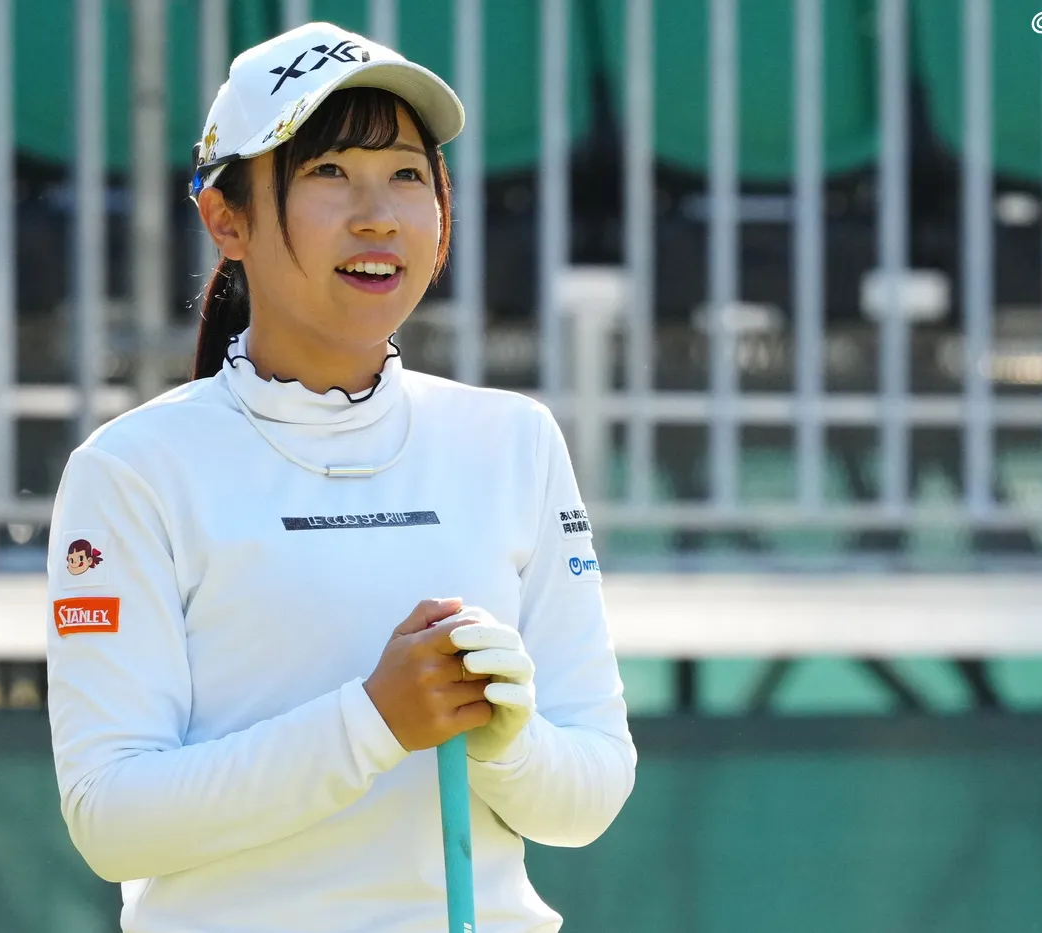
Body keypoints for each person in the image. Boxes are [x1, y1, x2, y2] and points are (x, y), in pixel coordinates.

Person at [44, 21, 635, 933]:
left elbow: (590, 794)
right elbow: (111, 821)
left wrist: (507, 741)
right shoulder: (132, 470)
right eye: (329, 172)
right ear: (225, 218)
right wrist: (375, 721)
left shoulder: (514, 439)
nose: (379, 215)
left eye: (406, 175)